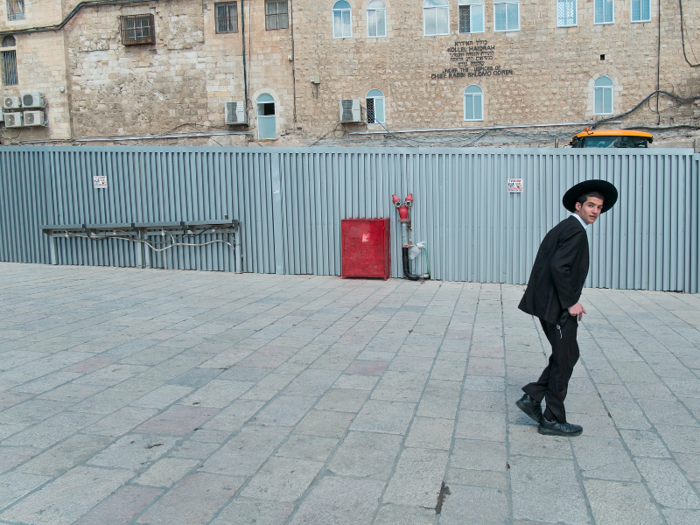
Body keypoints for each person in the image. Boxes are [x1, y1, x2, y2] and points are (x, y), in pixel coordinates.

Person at [515, 179, 618, 437]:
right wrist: (571, 302)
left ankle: (533, 397)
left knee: (567, 355)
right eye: (591, 205)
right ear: (578, 205)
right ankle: (552, 419)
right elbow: (559, 267)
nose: (595, 211)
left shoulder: (567, 227)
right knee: (565, 359)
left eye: (599, 207)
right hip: (558, 307)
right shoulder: (575, 230)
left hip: (549, 303)